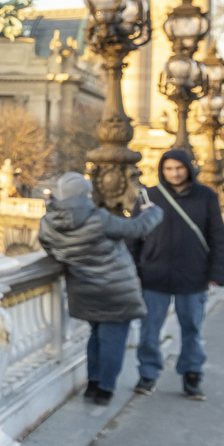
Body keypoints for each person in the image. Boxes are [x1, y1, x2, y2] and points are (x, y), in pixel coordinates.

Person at [35, 172, 163, 406]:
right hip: (115, 291)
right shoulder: (99, 218)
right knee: (113, 340)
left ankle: (93, 383)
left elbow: (51, 250)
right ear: (85, 194)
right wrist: (154, 211)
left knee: (95, 336)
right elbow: (137, 229)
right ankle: (105, 389)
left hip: (83, 290)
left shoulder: (48, 223)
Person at [130, 148, 224, 400]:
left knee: (192, 329)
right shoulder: (148, 196)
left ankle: (192, 375)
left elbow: (217, 236)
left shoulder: (206, 196)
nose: (174, 173)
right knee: (150, 330)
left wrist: (216, 272)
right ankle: (148, 374)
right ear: (162, 170)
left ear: (188, 168)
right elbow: (133, 236)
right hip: (154, 273)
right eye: (169, 168)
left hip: (193, 274)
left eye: (179, 168)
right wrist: (135, 270)